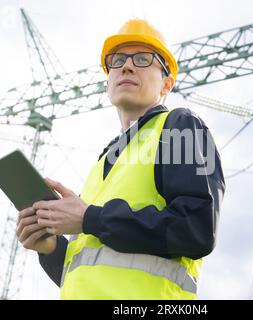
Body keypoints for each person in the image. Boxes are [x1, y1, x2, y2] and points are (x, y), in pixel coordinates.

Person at [16, 18, 225, 300]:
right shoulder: (103, 164)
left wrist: (90, 217)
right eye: (117, 60)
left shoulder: (179, 126)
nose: (126, 65)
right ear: (108, 81)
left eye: (142, 58)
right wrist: (50, 247)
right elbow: (87, 270)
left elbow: (197, 229)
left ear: (167, 83)